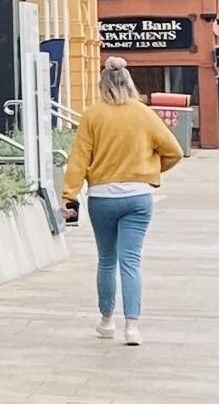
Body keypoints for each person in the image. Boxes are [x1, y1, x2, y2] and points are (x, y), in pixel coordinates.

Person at [60, 61, 184, 345]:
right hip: (138, 197)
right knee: (131, 262)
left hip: (102, 197)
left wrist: (69, 195)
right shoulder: (145, 114)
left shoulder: (92, 116)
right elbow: (174, 151)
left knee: (106, 261)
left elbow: (79, 160)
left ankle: (106, 321)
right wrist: (150, 170)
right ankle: (132, 327)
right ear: (129, 83)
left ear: (102, 85)